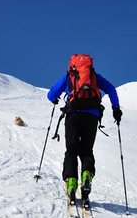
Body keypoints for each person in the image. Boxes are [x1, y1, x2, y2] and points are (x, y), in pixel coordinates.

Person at [47, 54, 122, 202]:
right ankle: (87, 174)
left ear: (72, 65)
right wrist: (116, 109)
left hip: (73, 114)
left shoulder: (69, 76)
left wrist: (55, 99)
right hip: (91, 116)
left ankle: (71, 182)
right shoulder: (95, 77)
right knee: (87, 150)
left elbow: (51, 95)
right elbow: (111, 90)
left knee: (72, 150)